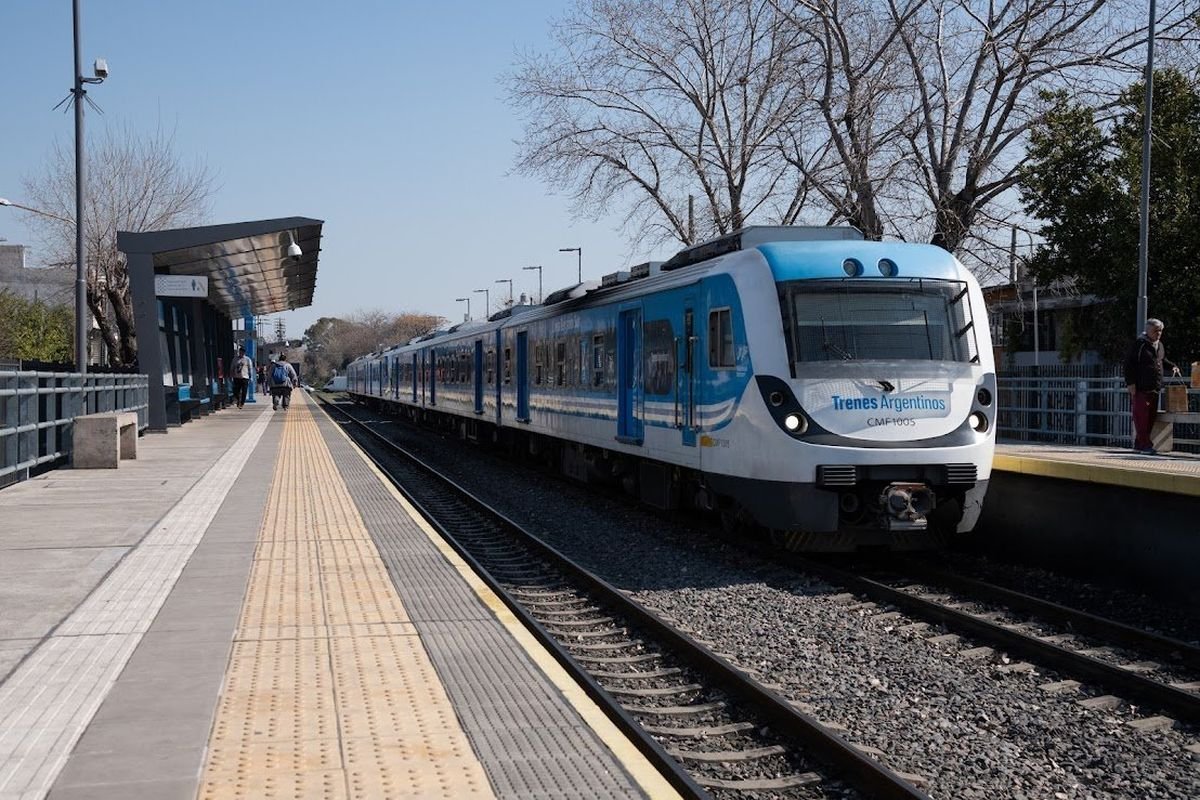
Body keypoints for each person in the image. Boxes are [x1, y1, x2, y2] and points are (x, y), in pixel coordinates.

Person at [1124, 318, 1181, 454]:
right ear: (1148, 330)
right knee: (1141, 417)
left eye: (1160, 330)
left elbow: (1161, 360)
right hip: (1141, 387)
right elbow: (1128, 364)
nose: (1159, 333)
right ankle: (1145, 445)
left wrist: (1172, 366)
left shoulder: (1159, 345)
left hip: (1155, 387)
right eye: (1156, 330)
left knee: (1150, 418)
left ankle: (1140, 444)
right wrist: (1130, 383)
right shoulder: (1140, 344)